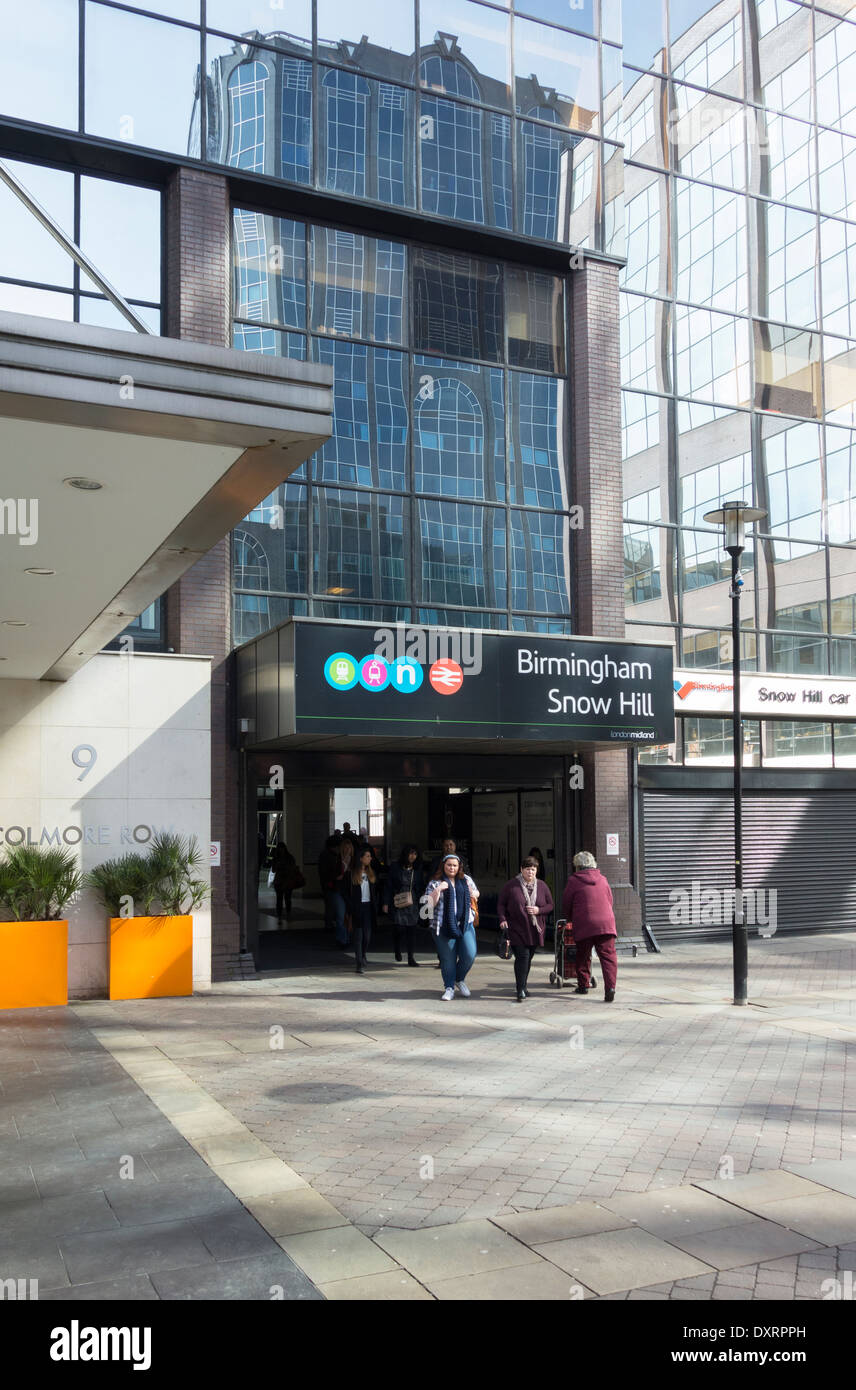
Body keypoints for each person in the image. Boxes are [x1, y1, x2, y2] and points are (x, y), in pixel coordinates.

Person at [561, 851, 617, 1003]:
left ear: (578, 866)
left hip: (585, 922)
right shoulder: (603, 879)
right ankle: (610, 988)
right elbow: (609, 900)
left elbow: (566, 902)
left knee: (583, 955)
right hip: (606, 923)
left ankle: (583, 985)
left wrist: (570, 917)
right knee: (608, 957)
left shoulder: (574, 880)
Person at [498, 857, 555, 1002]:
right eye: (527, 869)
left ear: (537, 871)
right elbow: (501, 905)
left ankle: (523, 986)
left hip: (535, 929)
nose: (530, 872)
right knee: (522, 957)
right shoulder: (511, 885)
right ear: (521, 869)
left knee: (528, 958)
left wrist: (538, 910)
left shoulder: (542, 886)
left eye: (533, 869)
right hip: (516, 928)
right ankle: (520, 989)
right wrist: (503, 919)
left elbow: (550, 905)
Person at [426, 854, 479, 1001]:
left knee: (470, 954)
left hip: (465, 924)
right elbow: (428, 905)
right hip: (443, 926)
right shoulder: (435, 882)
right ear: (443, 865)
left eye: (455, 865)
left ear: (459, 866)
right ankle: (449, 987)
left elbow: (476, 893)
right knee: (448, 959)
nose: (452, 868)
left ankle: (458, 978)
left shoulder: (466, 880)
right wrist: (438, 890)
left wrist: (473, 893)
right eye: (449, 865)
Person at [382, 844, 424, 966]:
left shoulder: (417, 869)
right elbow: (388, 885)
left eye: (415, 854)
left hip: (412, 901)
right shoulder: (395, 867)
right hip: (398, 900)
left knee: (411, 929)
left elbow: (420, 886)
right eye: (411, 853)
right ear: (405, 854)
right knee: (399, 928)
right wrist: (385, 902)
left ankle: (411, 957)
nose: (413, 856)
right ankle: (397, 948)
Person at [344, 846, 379, 974]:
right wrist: (350, 906)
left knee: (367, 936)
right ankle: (359, 962)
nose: (370, 858)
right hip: (357, 907)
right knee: (358, 936)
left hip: (368, 907)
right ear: (361, 858)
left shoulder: (371, 873)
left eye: (370, 856)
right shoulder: (351, 874)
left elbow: (375, 891)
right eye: (367, 856)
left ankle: (363, 954)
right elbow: (345, 892)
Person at [318, 833, 348, 947]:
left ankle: (331, 926)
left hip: (331, 887)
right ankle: (339, 935)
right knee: (339, 912)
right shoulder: (331, 857)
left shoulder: (327, 855)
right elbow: (327, 873)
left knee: (332, 908)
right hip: (333, 887)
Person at [271, 841, 297, 925]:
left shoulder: (277, 858)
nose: (281, 850)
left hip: (280, 881)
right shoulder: (289, 857)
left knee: (282, 899)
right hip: (285, 881)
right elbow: (274, 869)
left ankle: (281, 917)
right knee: (285, 899)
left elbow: (273, 870)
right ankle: (285, 916)